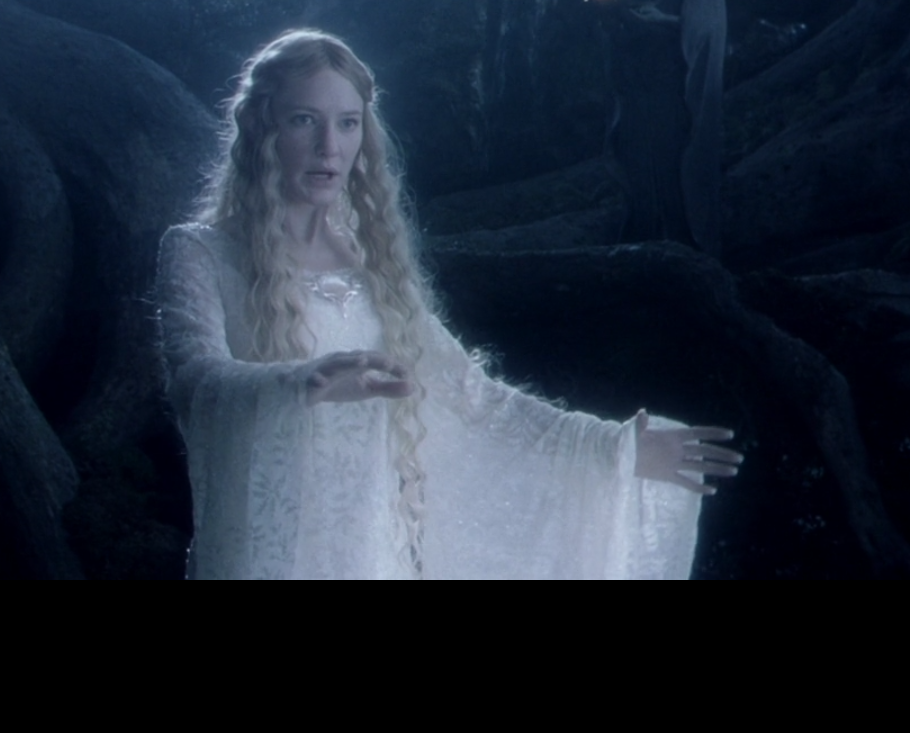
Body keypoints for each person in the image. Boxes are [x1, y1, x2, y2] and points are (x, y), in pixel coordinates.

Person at [157, 30, 741, 580]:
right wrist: (302, 384)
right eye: (304, 120)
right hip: (265, 554)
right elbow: (195, 379)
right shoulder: (200, 251)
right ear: (261, 127)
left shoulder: (373, 266)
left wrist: (614, 452)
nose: (329, 147)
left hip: (369, 555)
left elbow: (472, 398)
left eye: (347, 123)